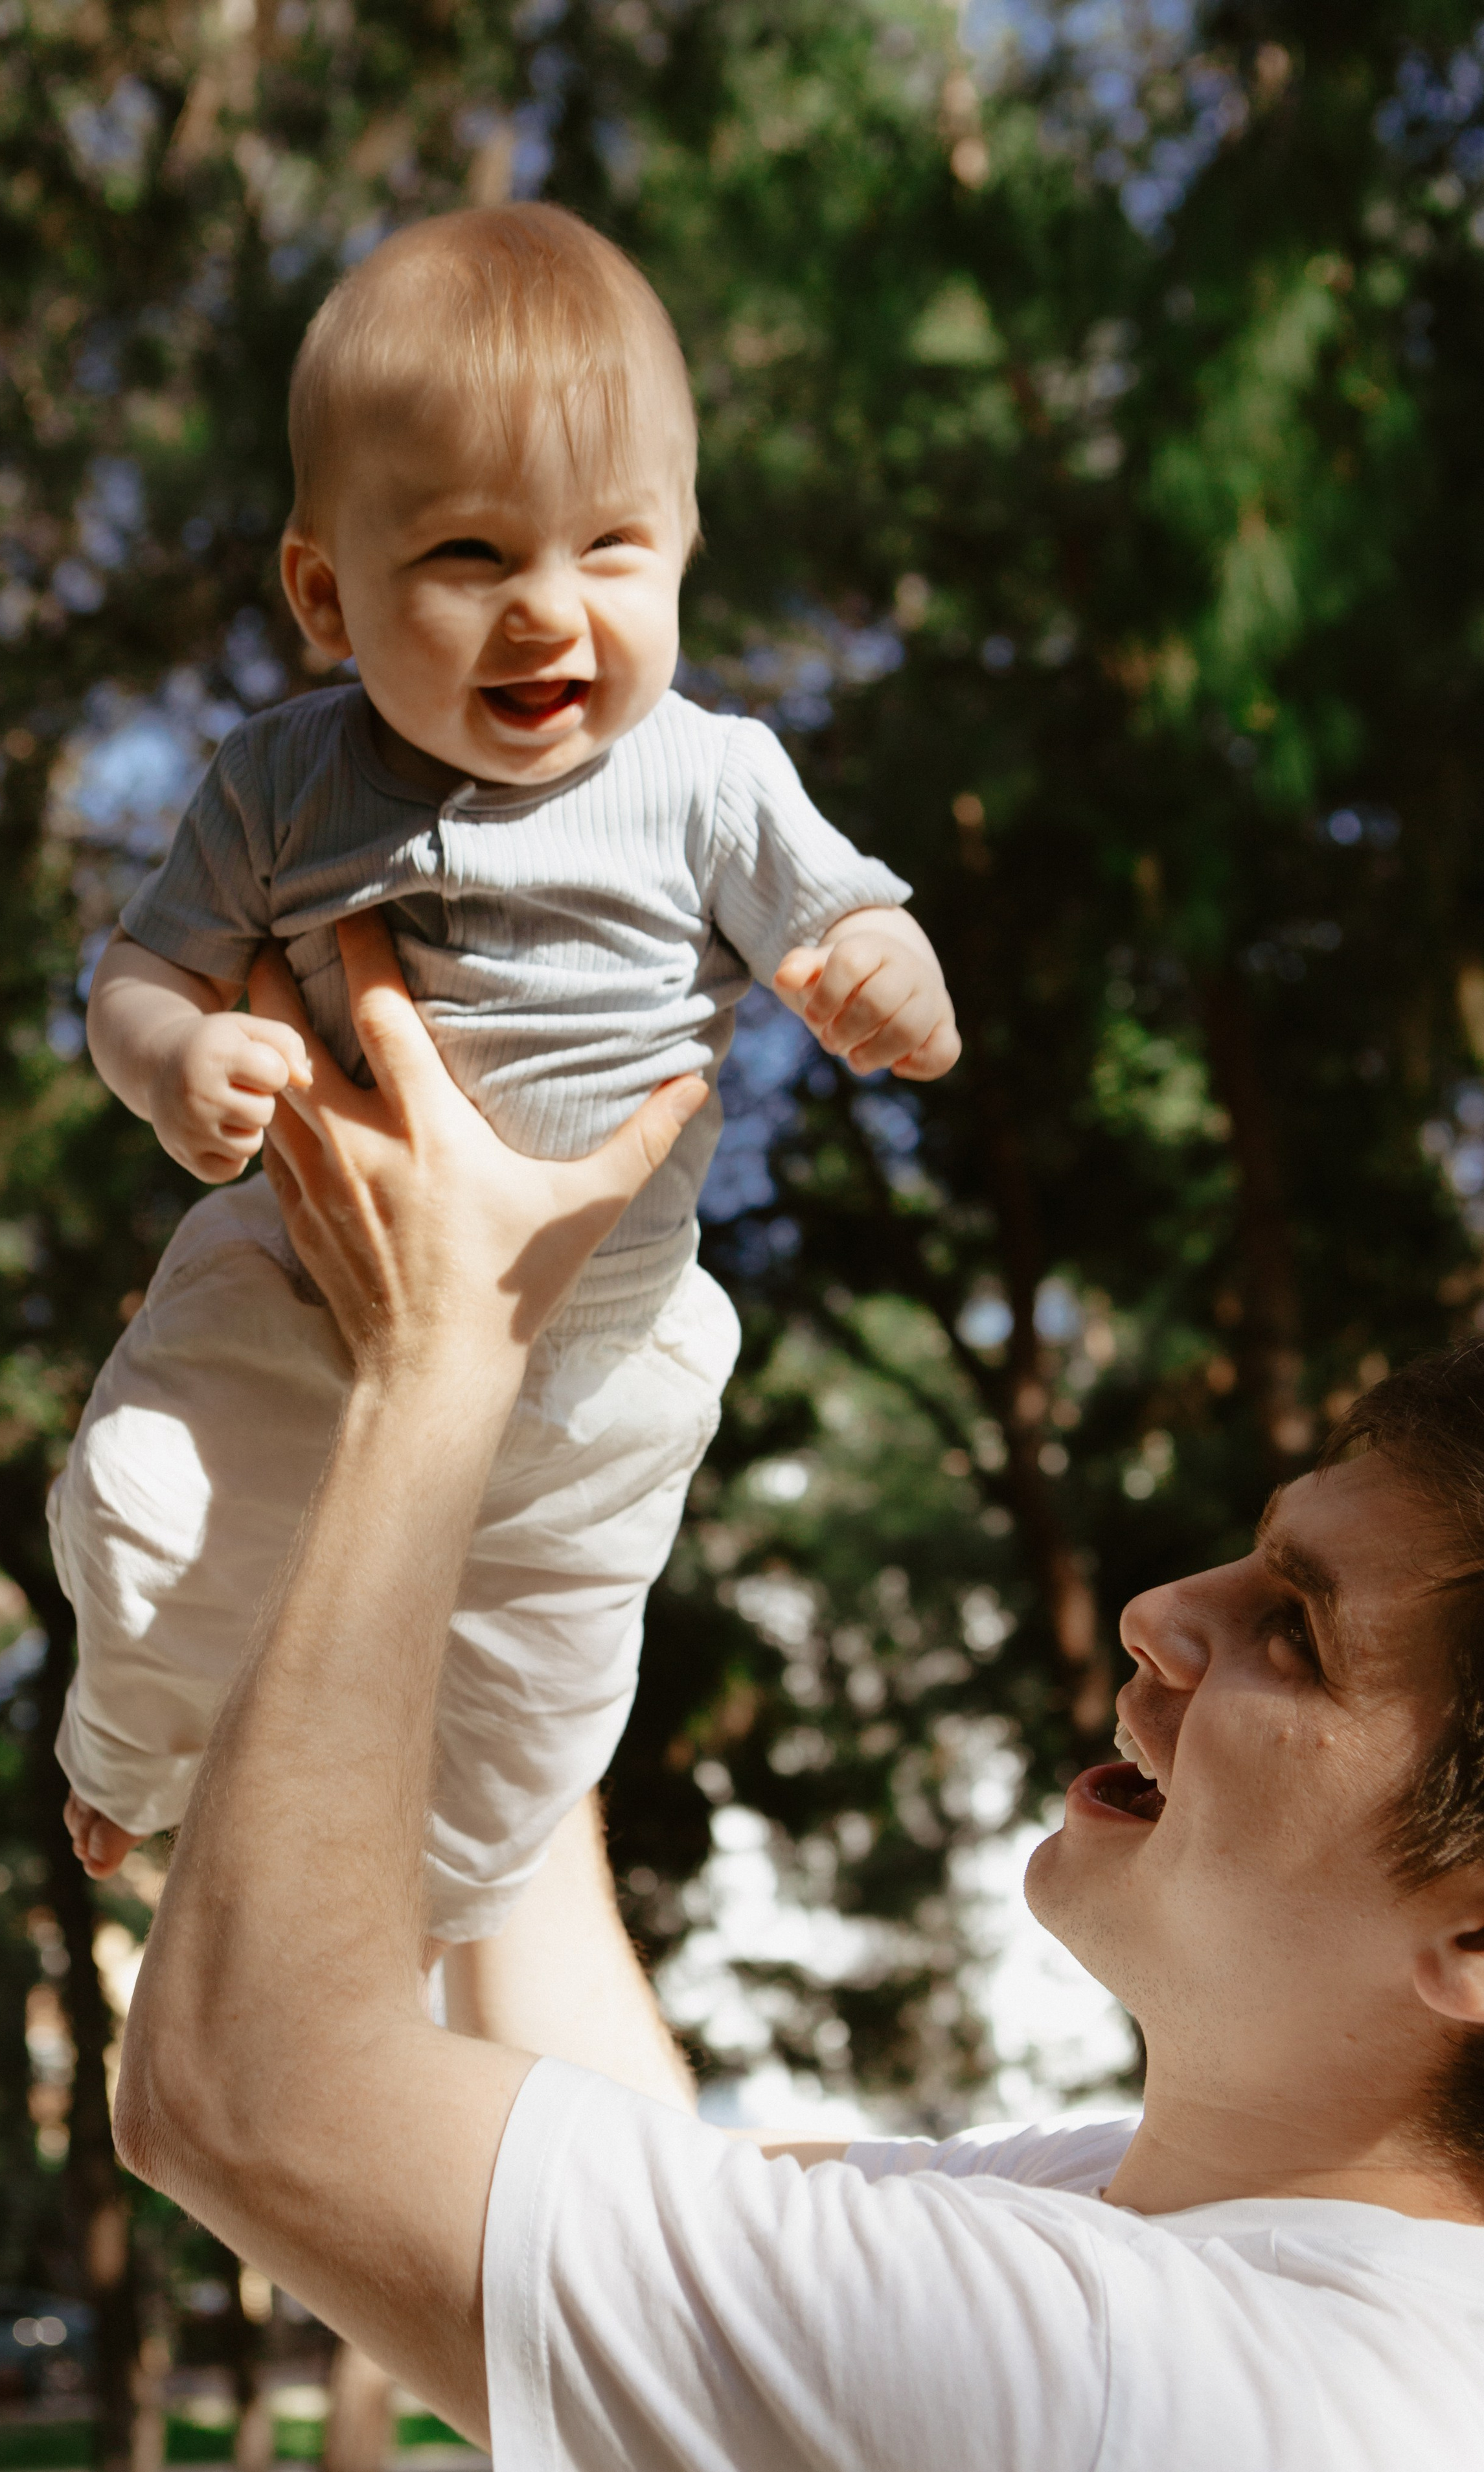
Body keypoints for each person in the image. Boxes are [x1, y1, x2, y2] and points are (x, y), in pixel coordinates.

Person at [116, 913, 1484, 2472]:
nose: (1160, 1615)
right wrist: (499, 1507)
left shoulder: (1162, 2385)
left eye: (1295, 1635)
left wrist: (437, 1353)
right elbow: (618, 2200)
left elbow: (253, 2093)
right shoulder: (1143, 2216)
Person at [49, 203, 958, 1977]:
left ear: (686, 544)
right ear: (327, 593)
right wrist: (179, 1061)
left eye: (611, 544)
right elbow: (138, 976)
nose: (551, 605)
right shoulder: (279, 787)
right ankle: (122, 1755)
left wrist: (881, 972)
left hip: (598, 1342)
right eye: (471, 552)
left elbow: (847, 906)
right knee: (146, 1510)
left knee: (541, 1688)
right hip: (311, 1295)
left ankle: (425, 1926)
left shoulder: (712, 776)